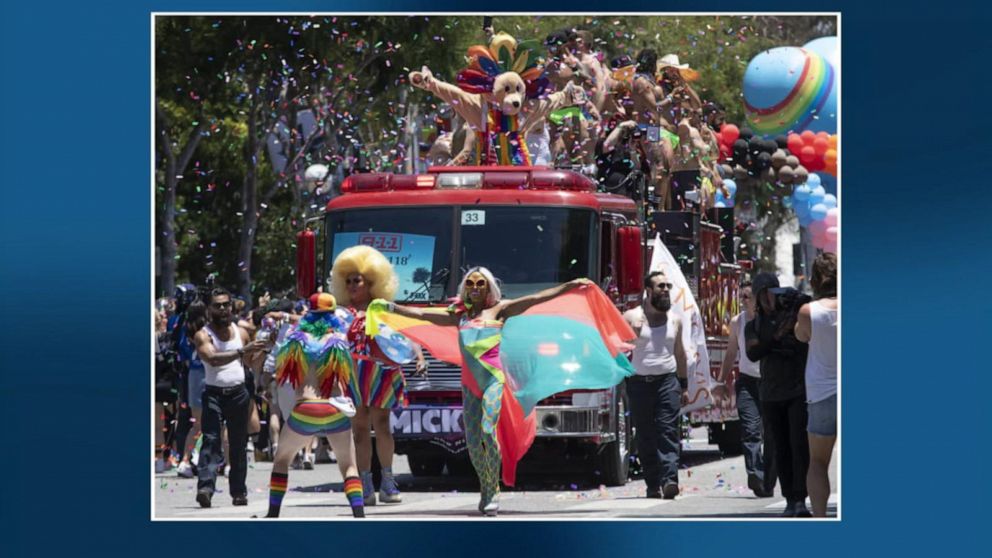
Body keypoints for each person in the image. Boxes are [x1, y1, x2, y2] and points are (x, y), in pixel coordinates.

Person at [367, 268, 633, 515]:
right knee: (472, 444)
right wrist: (390, 307)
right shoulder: (458, 315)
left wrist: (569, 286)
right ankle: (485, 486)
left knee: (487, 430)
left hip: (494, 380)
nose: (474, 287)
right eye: (469, 283)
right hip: (469, 386)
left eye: (480, 283)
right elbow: (422, 315)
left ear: (488, 288)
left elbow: (537, 298)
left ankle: (493, 488)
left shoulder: (500, 311)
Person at [330, 245, 428, 506]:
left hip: (381, 372)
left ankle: (388, 481)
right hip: (352, 374)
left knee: (382, 425)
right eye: (347, 280)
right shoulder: (339, 312)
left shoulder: (383, 308)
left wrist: (418, 357)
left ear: (371, 281)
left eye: (357, 280)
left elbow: (406, 334)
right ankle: (365, 484)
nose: (351, 285)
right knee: (360, 431)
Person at [261, 292, 365, 518]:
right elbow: (351, 379)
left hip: (306, 409)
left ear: (309, 312)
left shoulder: (295, 338)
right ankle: (359, 515)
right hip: (334, 408)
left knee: (281, 460)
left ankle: (272, 514)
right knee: (348, 466)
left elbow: (278, 370)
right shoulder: (339, 339)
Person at [193, 287, 268, 508]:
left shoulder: (241, 332)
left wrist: (265, 348)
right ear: (209, 309)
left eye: (226, 304)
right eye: (218, 305)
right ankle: (205, 488)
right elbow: (213, 359)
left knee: (238, 444)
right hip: (214, 394)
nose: (224, 309)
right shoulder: (203, 334)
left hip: (238, 393)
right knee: (212, 441)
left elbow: (251, 363)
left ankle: (239, 492)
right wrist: (242, 351)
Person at [745, 273, 812, 517]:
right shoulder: (753, 325)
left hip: (797, 390)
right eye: (761, 294)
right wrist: (776, 338)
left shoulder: (795, 315)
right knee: (780, 447)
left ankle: (800, 498)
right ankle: (789, 498)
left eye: (771, 293)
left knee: (799, 445)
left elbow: (804, 337)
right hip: (771, 394)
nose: (767, 300)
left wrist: (795, 301)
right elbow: (754, 353)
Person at [622, 271, 687, 499]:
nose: (666, 290)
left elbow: (679, 352)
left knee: (668, 430)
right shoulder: (631, 317)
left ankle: (670, 480)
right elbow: (617, 349)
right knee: (646, 435)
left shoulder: (675, 320)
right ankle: (652, 484)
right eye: (661, 286)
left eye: (668, 286)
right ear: (648, 291)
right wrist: (632, 336)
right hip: (639, 384)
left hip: (667, 381)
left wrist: (684, 384)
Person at [713, 283, 775, 498]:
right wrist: (721, 382)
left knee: (773, 435)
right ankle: (756, 475)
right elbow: (731, 354)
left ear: (759, 299)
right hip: (747, 383)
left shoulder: (773, 320)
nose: (743, 301)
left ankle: (768, 478)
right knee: (750, 430)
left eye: (747, 297)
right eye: (742, 297)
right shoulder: (738, 322)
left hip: (772, 383)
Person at [795, 253, 838, 517]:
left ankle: (821, 519)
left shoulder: (809, 311)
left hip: (822, 394)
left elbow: (801, 336)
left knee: (818, 462)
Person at [176, 301, 207, 478]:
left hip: (192, 375)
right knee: (213, 422)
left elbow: (183, 354)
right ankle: (197, 457)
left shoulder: (185, 330)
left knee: (197, 423)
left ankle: (185, 460)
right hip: (207, 373)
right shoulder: (207, 330)